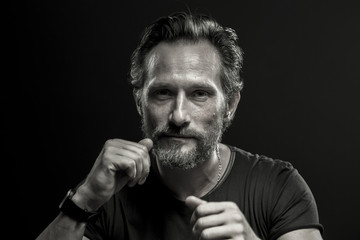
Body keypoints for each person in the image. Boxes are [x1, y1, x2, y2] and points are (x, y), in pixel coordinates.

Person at [36, 11, 323, 240]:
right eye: (163, 93)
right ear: (140, 102)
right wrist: (85, 200)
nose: (178, 115)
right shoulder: (107, 193)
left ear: (230, 105)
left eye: (200, 94)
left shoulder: (279, 187)